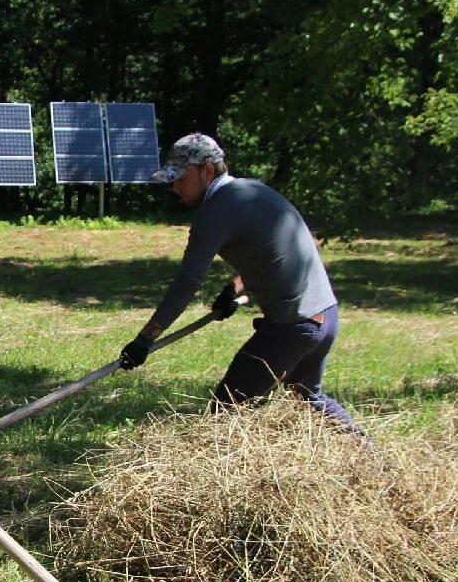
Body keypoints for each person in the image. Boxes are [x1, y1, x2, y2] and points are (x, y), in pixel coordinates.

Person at [120, 133, 363, 435]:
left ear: (206, 170)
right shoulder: (253, 191)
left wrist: (146, 338)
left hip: (294, 326)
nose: (175, 186)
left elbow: (187, 282)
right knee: (307, 396)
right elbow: (273, 255)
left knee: (225, 411)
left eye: (181, 178)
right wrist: (232, 289)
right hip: (324, 316)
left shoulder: (216, 210)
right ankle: (373, 459)